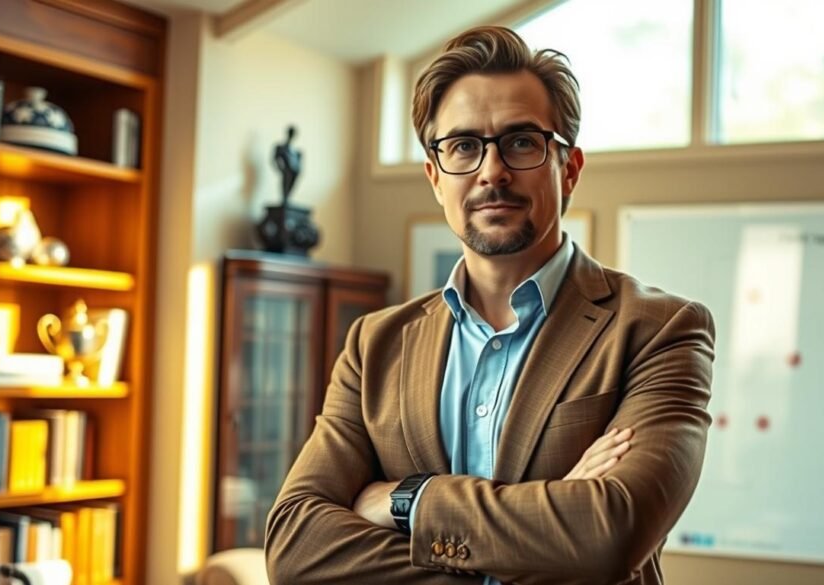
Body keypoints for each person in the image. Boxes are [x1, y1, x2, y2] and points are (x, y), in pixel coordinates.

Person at [265, 26, 715, 585]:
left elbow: (611, 534)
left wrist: (408, 500)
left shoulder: (659, 330)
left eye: (521, 142)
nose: (491, 171)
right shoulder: (373, 344)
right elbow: (296, 545)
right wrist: (544, 532)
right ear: (435, 178)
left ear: (569, 168)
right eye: (463, 146)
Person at [274, 124, 301, 206]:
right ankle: (285, 199)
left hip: (294, 172)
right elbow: (276, 159)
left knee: (290, 188)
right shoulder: (281, 148)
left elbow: (298, 163)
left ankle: (287, 199)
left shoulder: (296, 152)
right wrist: (281, 169)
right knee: (285, 186)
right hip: (286, 172)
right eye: (290, 134)